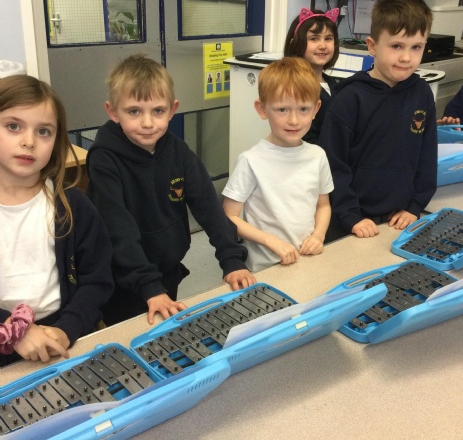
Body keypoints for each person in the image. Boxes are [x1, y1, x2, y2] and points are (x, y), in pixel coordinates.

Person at [86, 54, 255, 326]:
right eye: (134, 111)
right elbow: (118, 229)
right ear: (113, 111)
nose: (147, 123)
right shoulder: (104, 159)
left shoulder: (178, 151)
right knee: (132, 338)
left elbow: (209, 207)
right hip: (124, 278)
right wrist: (149, 286)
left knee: (165, 331)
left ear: (172, 110)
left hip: (167, 269)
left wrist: (232, 258)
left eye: (157, 111)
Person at [0, 75, 114, 367]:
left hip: (60, 338)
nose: (28, 141)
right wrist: (15, 331)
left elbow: (97, 280)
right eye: (13, 126)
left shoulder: (73, 206)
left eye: (43, 131)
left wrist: (67, 328)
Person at [320, 0, 437, 239]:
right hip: (351, 222)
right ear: (372, 46)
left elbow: (427, 156)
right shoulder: (350, 98)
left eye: (416, 47)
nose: (406, 57)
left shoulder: (422, 93)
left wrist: (415, 206)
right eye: (396, 46)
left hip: (401, 219)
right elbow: (332, 165)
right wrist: (350, 215)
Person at [222, 57, 334, 272]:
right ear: (262, 109)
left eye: (303, 109)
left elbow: (323, 205)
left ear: (316, 109)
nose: (294, 120)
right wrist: (270, 241)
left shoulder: (318, 156)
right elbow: (229, 216)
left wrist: (319, 236)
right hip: (265, 268)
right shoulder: (251, 161)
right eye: (282, 109)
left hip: (306, 260)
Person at [284, 7, 340, 145]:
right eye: (314, 39)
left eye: (328, 38)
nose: (323, 45)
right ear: (296, 43)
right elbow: (303, 137)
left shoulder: (332, 83)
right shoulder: (296, 86)